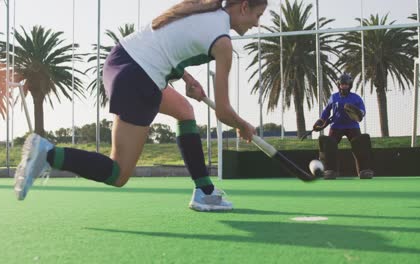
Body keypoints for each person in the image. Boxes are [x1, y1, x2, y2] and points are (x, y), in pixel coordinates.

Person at [14, 0, 267, 211]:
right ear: (244, 7)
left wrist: (187, 77)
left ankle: (204, 191)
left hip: (120, 60)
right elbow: (223, 111)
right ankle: (46, 153)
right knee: (118, 173)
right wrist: (242, 125)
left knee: (184, 111)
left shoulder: (201, 9)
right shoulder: (223, 43)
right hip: (139, 78)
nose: (257, 23)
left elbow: (166, 43)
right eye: (258, 15)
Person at [313, 73, 374, 180]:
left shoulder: (356, 98)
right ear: (339, 85)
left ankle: (364, 170)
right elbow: (327, 111)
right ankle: (330, 171)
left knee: (360, 143)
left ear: (350, 85)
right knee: (329, 143)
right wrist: (320, 121)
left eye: (346, 84)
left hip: (352, 126)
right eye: (342, 84)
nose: (344, 86)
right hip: (336, 126)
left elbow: (362, 111)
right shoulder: (333, 97)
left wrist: (359, 113)